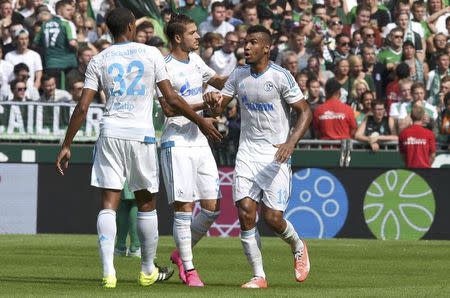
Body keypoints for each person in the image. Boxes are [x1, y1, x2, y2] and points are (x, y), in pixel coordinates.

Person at [55, 7, 222, 289]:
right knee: (146, 202)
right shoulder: (150, 54)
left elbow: (83, 106)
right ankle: (147, 270)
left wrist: (67, 144)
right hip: (142, 135)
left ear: (108, 29)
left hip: (110, 133)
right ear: (132, 26)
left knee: (109, 203)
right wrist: (201, 121)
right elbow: (171, 98)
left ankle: (109, 273)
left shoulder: (99, 59)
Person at [204, 25, 312, 288]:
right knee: (246, 211)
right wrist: (211, 101)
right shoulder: (238, 75)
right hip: (247, 153)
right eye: (245, 43)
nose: (247, 47)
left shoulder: (281, 76)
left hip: (275, 153)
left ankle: (298, 245)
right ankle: (258, 276)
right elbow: (219, 108)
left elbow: (305, 111)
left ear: (267, 47)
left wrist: (290, 142)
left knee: (273, 219)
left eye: (253, 42)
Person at [156, 13, 228, 288]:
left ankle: (179, 254)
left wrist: (246, 73)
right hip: (176, 141)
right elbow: (168, 107)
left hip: (199, 140)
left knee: (212, 207)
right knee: (184, 208)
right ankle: (190, 269)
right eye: (193, 32)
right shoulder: (163, 66)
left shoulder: (196, 60)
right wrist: (203, 104)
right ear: (178, 37)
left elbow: (218, 82)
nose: (198, 36)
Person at [399, 103, 436, 168]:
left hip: (410, 171)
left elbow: (403, 155)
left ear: (411, 116)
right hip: (425, 170)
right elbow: (432, 155)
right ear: (422, 117)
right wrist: (427, 165)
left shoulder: (403, 133)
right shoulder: (429, 133)